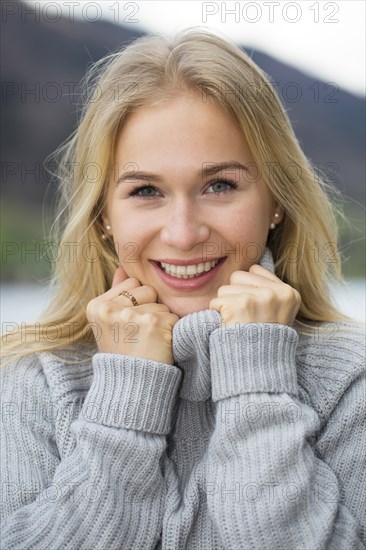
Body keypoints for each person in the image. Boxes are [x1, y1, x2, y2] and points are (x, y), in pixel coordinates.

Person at [1, 27, 365, 550]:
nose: (183, 233)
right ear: (104, 214)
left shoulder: (352, 378)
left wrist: (257, 375)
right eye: (145, 190)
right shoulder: (34, 379)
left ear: (277, 201)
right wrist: (128, 393)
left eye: (220, 186)